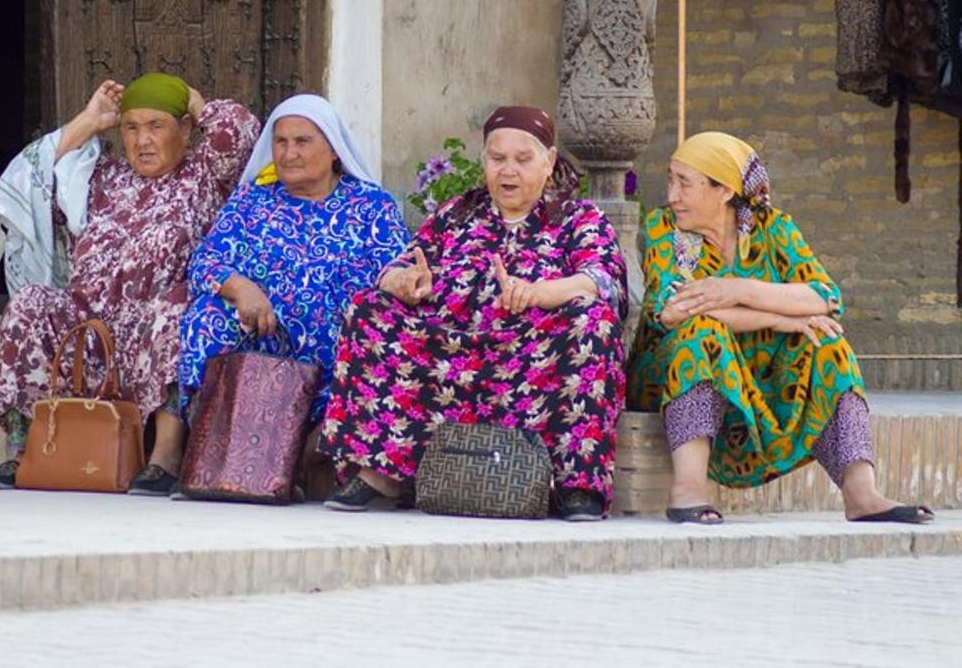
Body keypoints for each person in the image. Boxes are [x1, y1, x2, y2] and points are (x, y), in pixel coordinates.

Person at [319, 106, 628, 520]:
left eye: (523, 159)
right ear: (484, 161)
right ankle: (381, 472)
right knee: (369, 310)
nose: (508, 171)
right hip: (450, 350)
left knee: (592, 322)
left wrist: (536, 292)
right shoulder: (457, 213)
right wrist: (405, 283)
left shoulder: (577, 218)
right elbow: (397, 267)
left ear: (549, 161)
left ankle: (575, 483)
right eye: (498, 159)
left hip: (531, 354)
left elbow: (600, 279)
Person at [628, 131, 934, 524]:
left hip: (758, 371)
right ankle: (688, 488)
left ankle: (862, 492)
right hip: (668, 371)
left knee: (828, 344)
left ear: (724, 191)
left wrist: (738, 289)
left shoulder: (773, 229)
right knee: (702, 334)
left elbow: (825, 297)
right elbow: (674, 311)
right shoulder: (664, 229)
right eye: (671, 180)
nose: (672, 194)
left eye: (684, 183)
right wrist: (780, 316)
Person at [116, 94, 410, 496]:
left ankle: (303, 462)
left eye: (302, 141)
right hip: (258, 329)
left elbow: (393, 272)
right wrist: (242, 290)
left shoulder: (372, 206)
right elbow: (207, 260)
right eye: (281, 142)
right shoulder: (254, 199)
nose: (289, 153)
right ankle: (179, 456)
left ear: (334, 150)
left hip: (336, 344)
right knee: (203, 314)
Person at [0, 73, 260, 490]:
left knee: (178, 305)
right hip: (90, 338)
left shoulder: (204, 176)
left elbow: (239, 135)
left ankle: (164, 458)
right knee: (30, 304)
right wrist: (91, 120)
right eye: (131, 127)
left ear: (184, 128)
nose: (142, 140)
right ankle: (30, 451)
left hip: (155, 334)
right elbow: (29, 176)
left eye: (156, 126)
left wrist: (197, 105)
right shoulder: (99, 177)